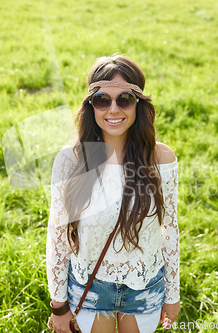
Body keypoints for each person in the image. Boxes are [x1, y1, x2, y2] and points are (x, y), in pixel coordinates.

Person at [46, 54, 180, 333]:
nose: (113, 109)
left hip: (145, 288)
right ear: (91, 106)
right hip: (90, 289)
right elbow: (57, 237)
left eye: (125, 99)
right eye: (102, 100)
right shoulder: (70, 160)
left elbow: (169, 229)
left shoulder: (161, 158)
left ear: (139, 104)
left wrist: (173, 295)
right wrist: (58, 305)